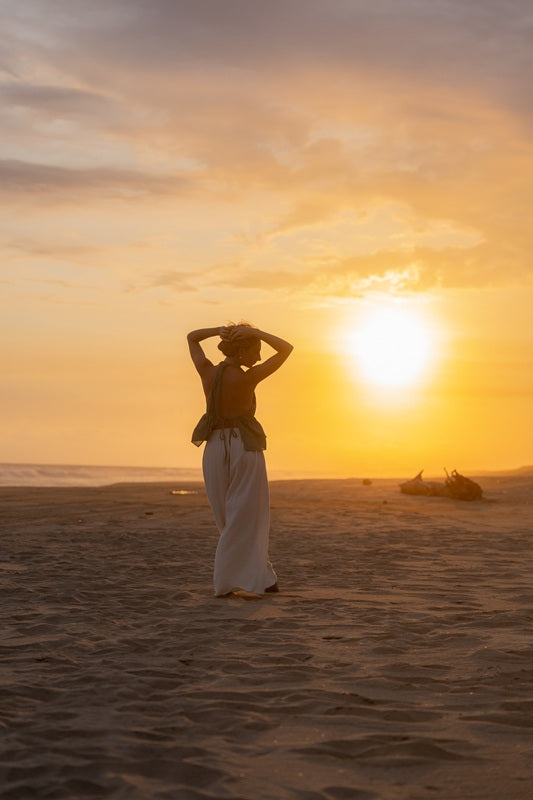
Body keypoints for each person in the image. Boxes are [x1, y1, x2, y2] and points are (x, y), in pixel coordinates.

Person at [187, 323, 293, 598]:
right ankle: (229, 581)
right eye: (255, 350)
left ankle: (266, 577)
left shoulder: (207, 371)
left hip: (213, 447)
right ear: (243, 349)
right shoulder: (248, 377)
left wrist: (220, 330)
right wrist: (257, 332)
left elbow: (192, 338)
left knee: (228, 517)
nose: (258, 358)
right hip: (243, 447)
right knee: (247, 517)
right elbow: (285, 349)